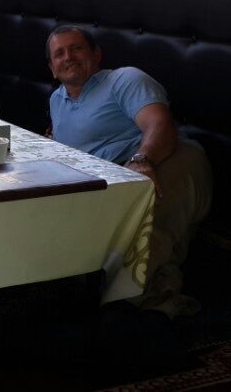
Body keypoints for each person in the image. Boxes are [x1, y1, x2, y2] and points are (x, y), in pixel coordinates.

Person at [46, 24, 212, 320]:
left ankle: (124, 312)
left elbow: (160, 125)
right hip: (110, 175)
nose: (68, 57)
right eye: (59, 53)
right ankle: (158, 300)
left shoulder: (124, 79)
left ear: (96, 55)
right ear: (52, 69)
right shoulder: (57, 100)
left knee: (142, 226)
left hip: (165, 158)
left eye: (76, 48)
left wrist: (141, 160)